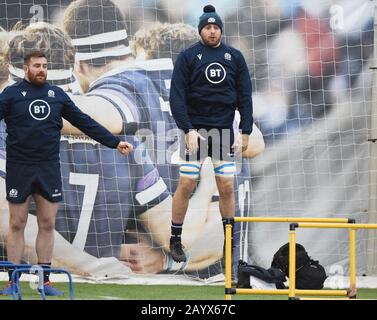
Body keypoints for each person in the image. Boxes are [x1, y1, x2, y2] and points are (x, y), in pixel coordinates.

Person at [0, 50, 133, 296]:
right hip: (20, 168)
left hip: (49, 168)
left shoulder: (56, 95)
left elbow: (85, 122)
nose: (42, 69)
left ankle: (45, 281)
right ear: (26, 68)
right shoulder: (11, 95)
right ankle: (12, 282)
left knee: (47, 224)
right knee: (16, 224)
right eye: (37, 65)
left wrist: (114, 142)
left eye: (45, 65)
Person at [168, 4, 254, 262]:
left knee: (227, 187)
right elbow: (177, 97)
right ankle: (175, 238)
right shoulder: (188, 57)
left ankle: (229, 243)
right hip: (197, 133)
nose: (213, 31)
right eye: (208, 27)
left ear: (221, 30)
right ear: (200, 30)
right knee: (186, 184)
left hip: (223, 132)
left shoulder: (234, 57)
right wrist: (188, 129)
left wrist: (246, 130)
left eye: (216, 27)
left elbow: (245, 96)